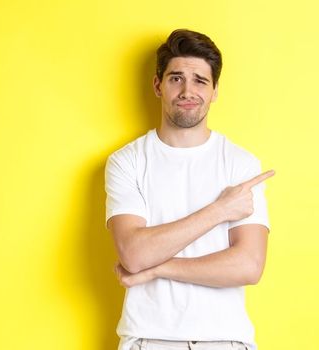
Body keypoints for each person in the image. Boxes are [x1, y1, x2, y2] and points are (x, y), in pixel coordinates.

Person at [105, 29, 274, 350]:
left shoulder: (240, 163)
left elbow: (249, 266)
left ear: (214, 91)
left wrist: (157, 268)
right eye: (176, 78)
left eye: (200, 81)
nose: (187, 90)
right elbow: (133, 253)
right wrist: (220, 210)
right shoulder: (126, 161)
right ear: (158, 85)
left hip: (225, 340)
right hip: (149, 339)